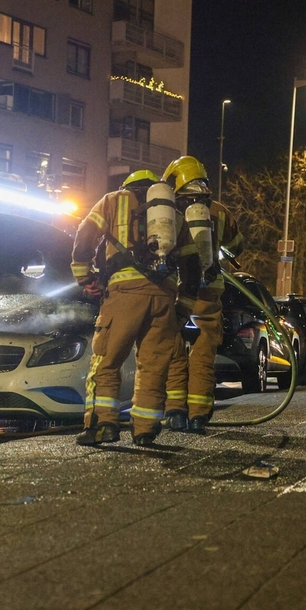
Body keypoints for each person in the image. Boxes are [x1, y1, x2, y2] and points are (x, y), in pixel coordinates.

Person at [71, 170, 198, 447]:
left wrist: (85, 276)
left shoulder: (113, 200)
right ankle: (145, 430)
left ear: (127, 186)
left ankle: (102, 425)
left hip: (124, 295)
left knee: (106, 361)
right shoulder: (173, 214)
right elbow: (193, 267)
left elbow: (85, 236)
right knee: (154, 368)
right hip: (164, 298)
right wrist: (182, 310)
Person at [160, 156, 243, 433]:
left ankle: (174, 412)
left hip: (176, 291)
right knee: (203, 356)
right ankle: (198, 415)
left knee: (174, 352)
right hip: (208, 293)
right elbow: (237, 246)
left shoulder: (167, 210)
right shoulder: (218, 211)